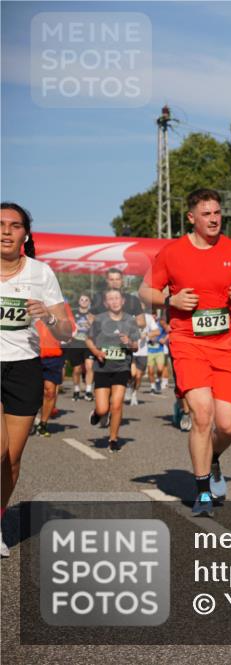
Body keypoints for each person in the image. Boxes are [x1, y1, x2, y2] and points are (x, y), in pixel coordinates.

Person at [139, 188, 231, 517]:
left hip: (227, 347)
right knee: (202, 415)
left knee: (228, 426)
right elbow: (145, 291)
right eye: (207, 214)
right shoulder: (173, 252)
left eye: (217, 213)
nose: (214, 218)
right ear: (192, 218)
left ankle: (212, 459)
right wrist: (171, 301)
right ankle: (202, 492)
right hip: (188, 344)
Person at [1, 202, 72, 558]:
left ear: (25, 235)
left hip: (24, 366)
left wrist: (47, 316)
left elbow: (65, 332)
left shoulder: (41, 273)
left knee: (11, 460)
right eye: (0, 225)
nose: (6, 231)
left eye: (14, 226)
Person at [85, 289, 139, 452]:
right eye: (110, 299)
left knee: (116, 405)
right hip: (102, 367)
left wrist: (128, 341)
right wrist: (96, 352)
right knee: (103, 408)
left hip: (122, 367)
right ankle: (97, 414)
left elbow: (136, 346)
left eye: (117, 298)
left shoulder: (130, 321)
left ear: (123, 301)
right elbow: (88, 339)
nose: (114, 301)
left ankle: (113, 439)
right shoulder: (100, 320)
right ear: (106, 303)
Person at [92, 267, 146, 403]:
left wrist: (126, 324)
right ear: (107, 281)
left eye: (117, 279)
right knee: (105, 386)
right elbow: (90, 319)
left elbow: (142, 322)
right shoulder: (99, 299)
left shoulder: (132, 300)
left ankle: (123, 391)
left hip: (123, 345)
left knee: (128, 376)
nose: (115, 282)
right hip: (103, 346)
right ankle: (103, 408)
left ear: (122, 281)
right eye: (111, 279)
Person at [33, 302, 74, 437]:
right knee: (31, 390)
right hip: (30, 353)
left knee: (50, 392)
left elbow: (70, 329)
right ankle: (28, 419)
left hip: (53, 355)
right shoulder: (28, 299)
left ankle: (43, 424)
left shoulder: (61, 305)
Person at [66, 294, 95, 401]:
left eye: (86, 300)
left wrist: (92, 324)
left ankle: (88, 391)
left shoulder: (92, 315)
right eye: (81, 299)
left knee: (89, 366)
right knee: (77, 369)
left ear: (89, 302)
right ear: (78, 301)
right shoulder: (73, 314)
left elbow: (98, 329)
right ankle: (76, 390)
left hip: (89, 343)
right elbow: (67, 327)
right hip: (76, 344)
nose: (84, 301)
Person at [146, 309, 169, 393]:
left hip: (160, 350)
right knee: (150, 371)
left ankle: (158, 380)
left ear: (156, 315)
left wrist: (164, 339)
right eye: (151, 315)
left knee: (160, 369)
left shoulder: (160, 324)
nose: (153, 316)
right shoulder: (147, 324)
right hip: (149, 351)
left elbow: (168, 332)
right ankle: (152, 387)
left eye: (154, 315)